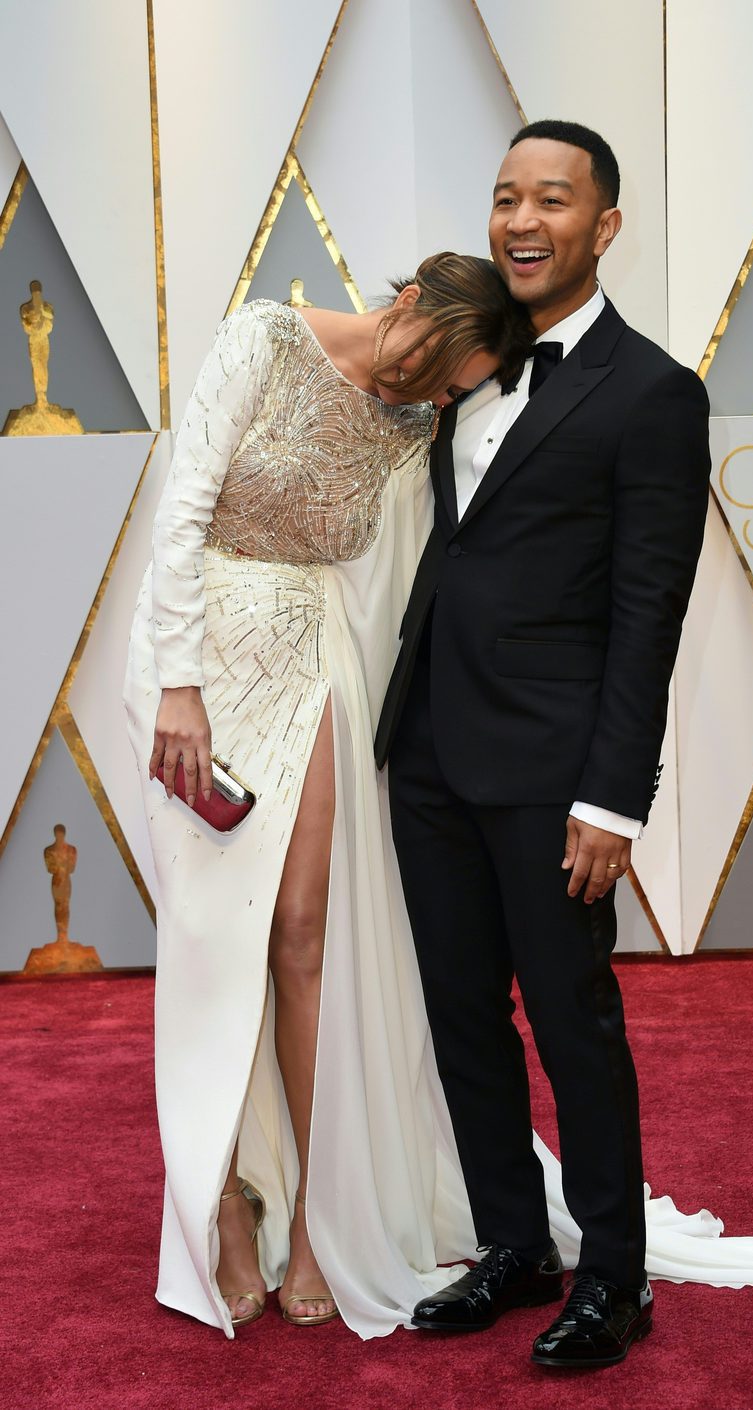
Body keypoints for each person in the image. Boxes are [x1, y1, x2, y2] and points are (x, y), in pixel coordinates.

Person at [376, 121, 753, 1368]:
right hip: (427, 749)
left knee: (570, 1017)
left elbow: (648, 611)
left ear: (604, 227)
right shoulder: (464, 367)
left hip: (552, 773)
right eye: (502, 197)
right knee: (458, 1017)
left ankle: (613, 1278)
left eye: (551, 200)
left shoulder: (651, 391)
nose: (520, 221)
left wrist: (612, 799)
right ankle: (510, 1244)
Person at [124, 253, 533, 1335]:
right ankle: (217, 1198)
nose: (433, 394)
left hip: (311, 669)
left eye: (455, 389)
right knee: (214, 938)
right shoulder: (261, 336)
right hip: (192, 671)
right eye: (438, 365)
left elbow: (397, 582)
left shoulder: (413, 432)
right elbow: (181, 514)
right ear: (410, 304)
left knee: (301, 933)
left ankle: (314, 1217)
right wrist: (177, 685)